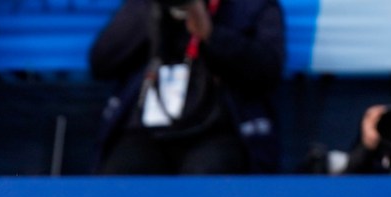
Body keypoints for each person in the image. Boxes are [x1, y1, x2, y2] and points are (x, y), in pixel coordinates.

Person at [88, 0, 286, 176]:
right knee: (119, 180)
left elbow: (268, 71)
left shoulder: (252, 6)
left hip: (216, 129)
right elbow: (101, 63)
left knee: (205, 182)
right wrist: (154, 12)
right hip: (146, 131)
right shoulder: (144, 6)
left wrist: (211, 34)